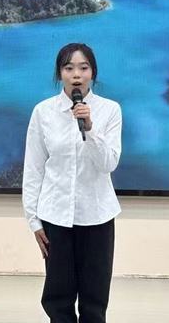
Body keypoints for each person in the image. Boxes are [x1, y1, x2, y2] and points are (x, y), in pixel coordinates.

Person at [22, 42, 123, 323]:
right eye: (69, 68)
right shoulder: (43, 112)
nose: (76, 75)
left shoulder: (110, 110)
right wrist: (33, 220)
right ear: (59, 73)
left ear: (93, 73)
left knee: (94, 299)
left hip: (97, 216)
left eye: (83, 68)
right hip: (55, 216)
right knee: (58, 298)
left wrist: (90, 128)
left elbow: (108, 163)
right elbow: (33, 169)